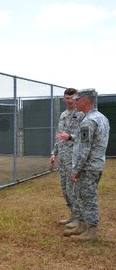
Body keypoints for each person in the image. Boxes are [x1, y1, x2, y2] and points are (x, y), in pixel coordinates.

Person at [65, 89, 109, 240]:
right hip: (95, 165)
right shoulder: (101, 117)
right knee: (82, 196)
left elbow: (84, 149)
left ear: (84, 100)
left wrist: (75, 170)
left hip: (87, 167)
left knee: (87, 198)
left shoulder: (89, 121)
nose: (74, 103)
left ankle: (91, 231)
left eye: (77, 100)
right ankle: (82, 226)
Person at [50, 88, 83, 227]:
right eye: (66, 98)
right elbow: (59, 136)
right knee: (65, 189)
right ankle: (72, 214)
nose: (69, 101)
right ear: (64, 99)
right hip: (63, 158)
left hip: (74, 158)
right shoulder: (63, 115)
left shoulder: (81, 114)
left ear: (76, 99)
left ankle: (79, 218)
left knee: (73, 189)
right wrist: (54, 153)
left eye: (71, 98)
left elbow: (83, 138)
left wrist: (70, 136)